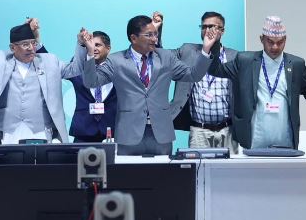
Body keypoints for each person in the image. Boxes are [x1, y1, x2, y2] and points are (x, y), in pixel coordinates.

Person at [81, 13, 216, 155]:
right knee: (127, 170)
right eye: (149, 35)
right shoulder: (116, 60)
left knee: (163, 170)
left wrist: (206, 50)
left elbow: (193, 75)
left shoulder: (166, 57)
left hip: (161, 134)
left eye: (155, 34)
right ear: (133, 38)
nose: (154, 39)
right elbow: (91, 82)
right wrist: (89, 53)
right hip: (128, 134)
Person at [207, 16, 306, 151]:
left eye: (280, 42)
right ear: (261, 39)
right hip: (253, 141)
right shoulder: (245, 61)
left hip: (286, 141)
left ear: (285, 40)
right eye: (270, 42)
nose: (275, 47)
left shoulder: (296, 64)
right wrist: (215, 44)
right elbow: (215, 70)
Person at [0, 16, 88, 144]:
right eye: (25, 44)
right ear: (12, 48)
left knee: (41, 158)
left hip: (41, 130)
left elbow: (75, 69)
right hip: (10, 132)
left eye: (33, 43)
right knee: (12, 157)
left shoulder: (49, 62)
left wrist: (81, 44)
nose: (31, 48)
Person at [170, 11, 239, 153]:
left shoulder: (234, 56)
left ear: (222, 31)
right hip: (199, 131)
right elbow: (162, 57)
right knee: (198, 167)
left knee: (231, 167)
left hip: (227, 130)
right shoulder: (187, 51)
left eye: (212, 26)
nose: (207, 30)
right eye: (204, 27)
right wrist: (157, 30)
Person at [67, 31, 118, 143]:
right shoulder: (78, 68)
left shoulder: (119, 68)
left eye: (97, 45)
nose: (93, 48)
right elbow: (50, 65)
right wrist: (37, 44)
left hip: (112, 131)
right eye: (89, 45)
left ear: (108, 48)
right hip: (83, 132)